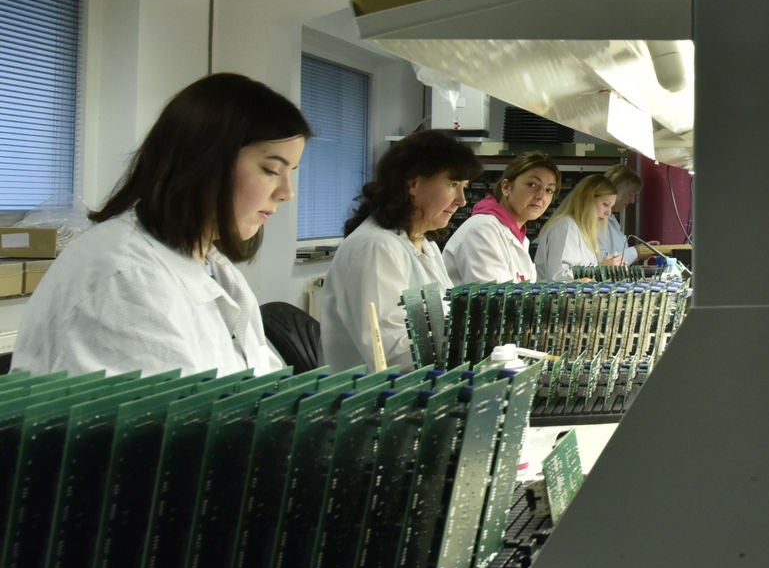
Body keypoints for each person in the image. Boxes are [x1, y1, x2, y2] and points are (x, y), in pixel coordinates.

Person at [14, 73, 309, 377]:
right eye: (272, 170)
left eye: (292, 172)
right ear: (206, 161)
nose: (287, 193)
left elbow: (264, 379)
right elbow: (180, 404)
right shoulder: (126, 278)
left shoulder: (211, 267)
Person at [320, 131, 481, 371]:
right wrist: (472, 345)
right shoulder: (375, 247)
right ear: (413, 183)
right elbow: (390, 351)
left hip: (428, 382)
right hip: (378, 391)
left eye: (464, 187)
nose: (462, 200)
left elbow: (444, 321)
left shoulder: (425, 245)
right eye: (452, 185)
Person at [444, 152, 559, 284]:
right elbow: (495, 294)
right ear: (506, 187)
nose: (541, 196)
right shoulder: (482, 230)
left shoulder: (517, 236)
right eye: (532, 184)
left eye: (549, 190)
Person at [532, 174, 623, 281]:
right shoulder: (566, 227)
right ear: (587, 199)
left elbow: (581, 273)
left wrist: (603, 267)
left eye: (611, 207)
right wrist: (600, 269)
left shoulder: (581, 230)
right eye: (605, 204)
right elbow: (558, 277)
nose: (609, 213)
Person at [594, 163, 661, 264]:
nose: (632, 201)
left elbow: (618, 254)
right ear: (618, 191)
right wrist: (637, 252)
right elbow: (603, 261)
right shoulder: (597, 219)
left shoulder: (611, 219)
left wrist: (640, 250)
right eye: (630, 194)